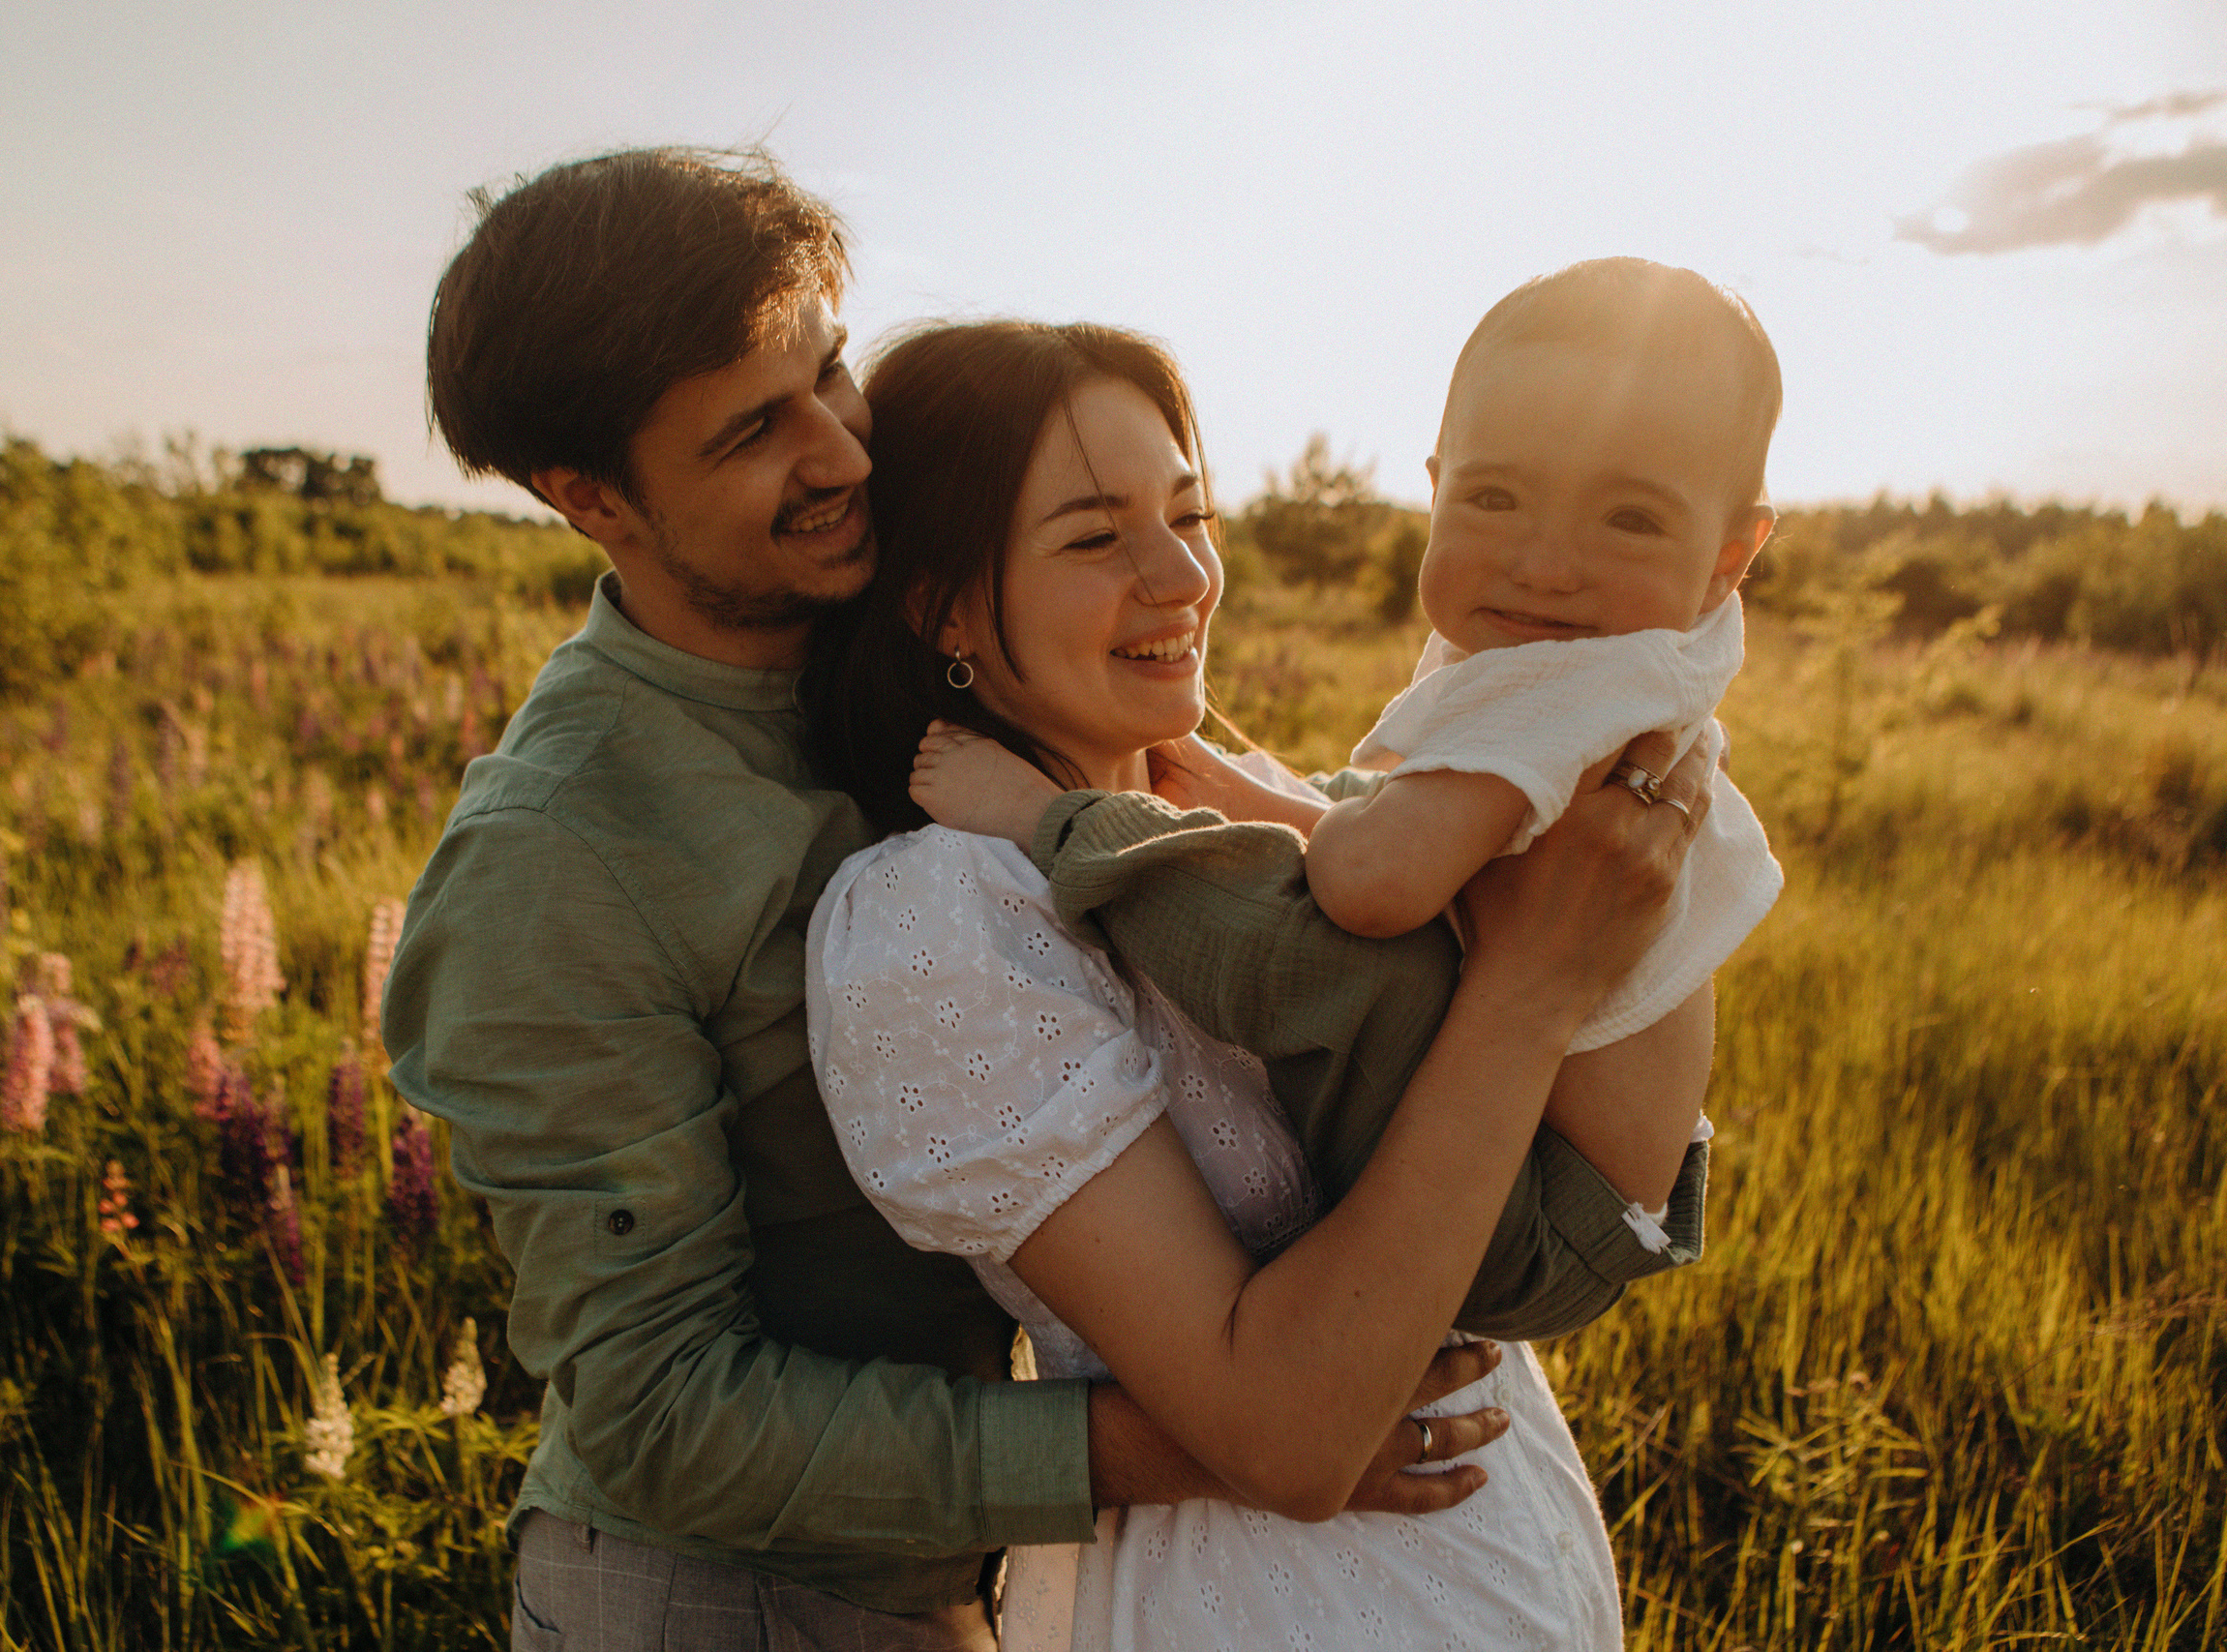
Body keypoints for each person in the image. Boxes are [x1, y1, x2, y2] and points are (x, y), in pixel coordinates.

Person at [387, 147, 1536, 1652]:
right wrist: (1212, 1441)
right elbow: (659, 1413)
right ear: (588, 496)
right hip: (710, 1601)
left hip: (959, 1572)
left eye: (831, 374)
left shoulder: (924, 666)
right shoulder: (563, 851)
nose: (846, 453)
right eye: (754, 430)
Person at [800, 318, 1718, 1648]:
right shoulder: (939, 918)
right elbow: (1289, 1436)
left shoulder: (1247, 825)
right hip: (1271, 1600)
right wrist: (1530, 988)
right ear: (944, 604)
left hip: (1504, 1562)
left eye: (1189, 512)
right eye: (1096, 536)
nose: (1181, 575)